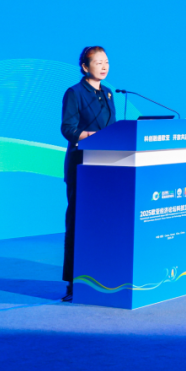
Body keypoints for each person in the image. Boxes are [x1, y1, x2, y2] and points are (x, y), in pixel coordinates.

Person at [60, 46, 115, 301]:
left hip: (106, 167)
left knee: (104, 222)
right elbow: (68, 129)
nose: (104, 66)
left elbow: (113, 130)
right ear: (85, 67)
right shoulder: (74, 93)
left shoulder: (108, 93)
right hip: (81, 166)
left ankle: (101, 275)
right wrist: (94, 136)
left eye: (106, 62)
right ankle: (73, 282)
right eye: (98, 62)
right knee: (78, 222)